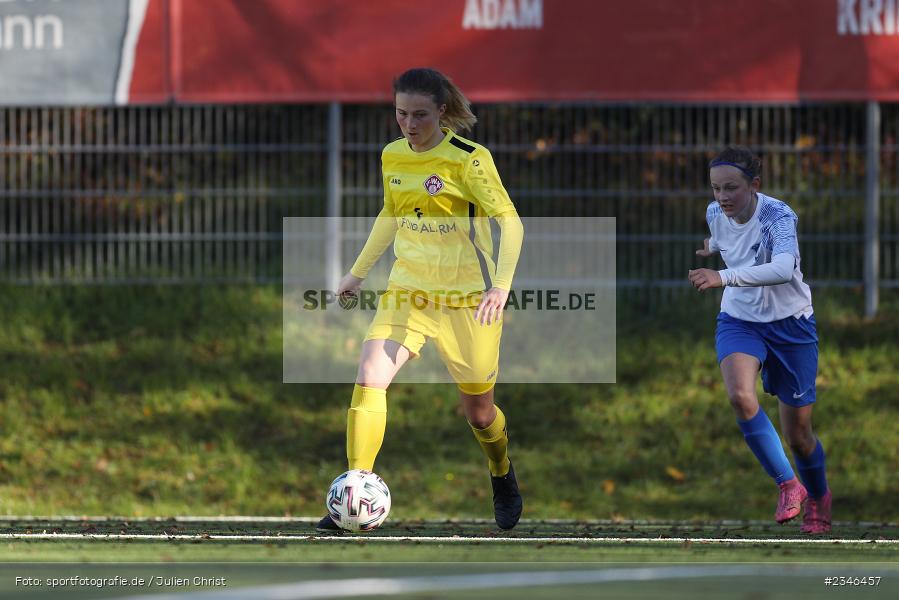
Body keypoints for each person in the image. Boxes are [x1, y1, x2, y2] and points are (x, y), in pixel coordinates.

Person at [317, 67, 525, 531]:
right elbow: (389, 216)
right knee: (370, 376)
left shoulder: (470, 160)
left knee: (480, 412)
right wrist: (356, 273)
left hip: (469, 300)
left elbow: (510, 222)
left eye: (420, 115)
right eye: (401, 114)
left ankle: (501, 472)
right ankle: (355, 491)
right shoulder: (392, 155)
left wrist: (500, 285)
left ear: (442, 112)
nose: (409, 125)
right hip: (408, 291)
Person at [688, 146, 831, 534]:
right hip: (740, 319)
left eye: (731, 188)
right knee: (739, 396)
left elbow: (784, 268)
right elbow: (723, 237)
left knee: (799, 436)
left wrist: (722, 275)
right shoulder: (716, 212)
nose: (722, 197)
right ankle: (789, 484)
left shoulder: (778, 216)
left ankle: (818, 496)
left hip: (791, 326)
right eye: (716, 188)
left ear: (755, 185)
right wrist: (712, 248)